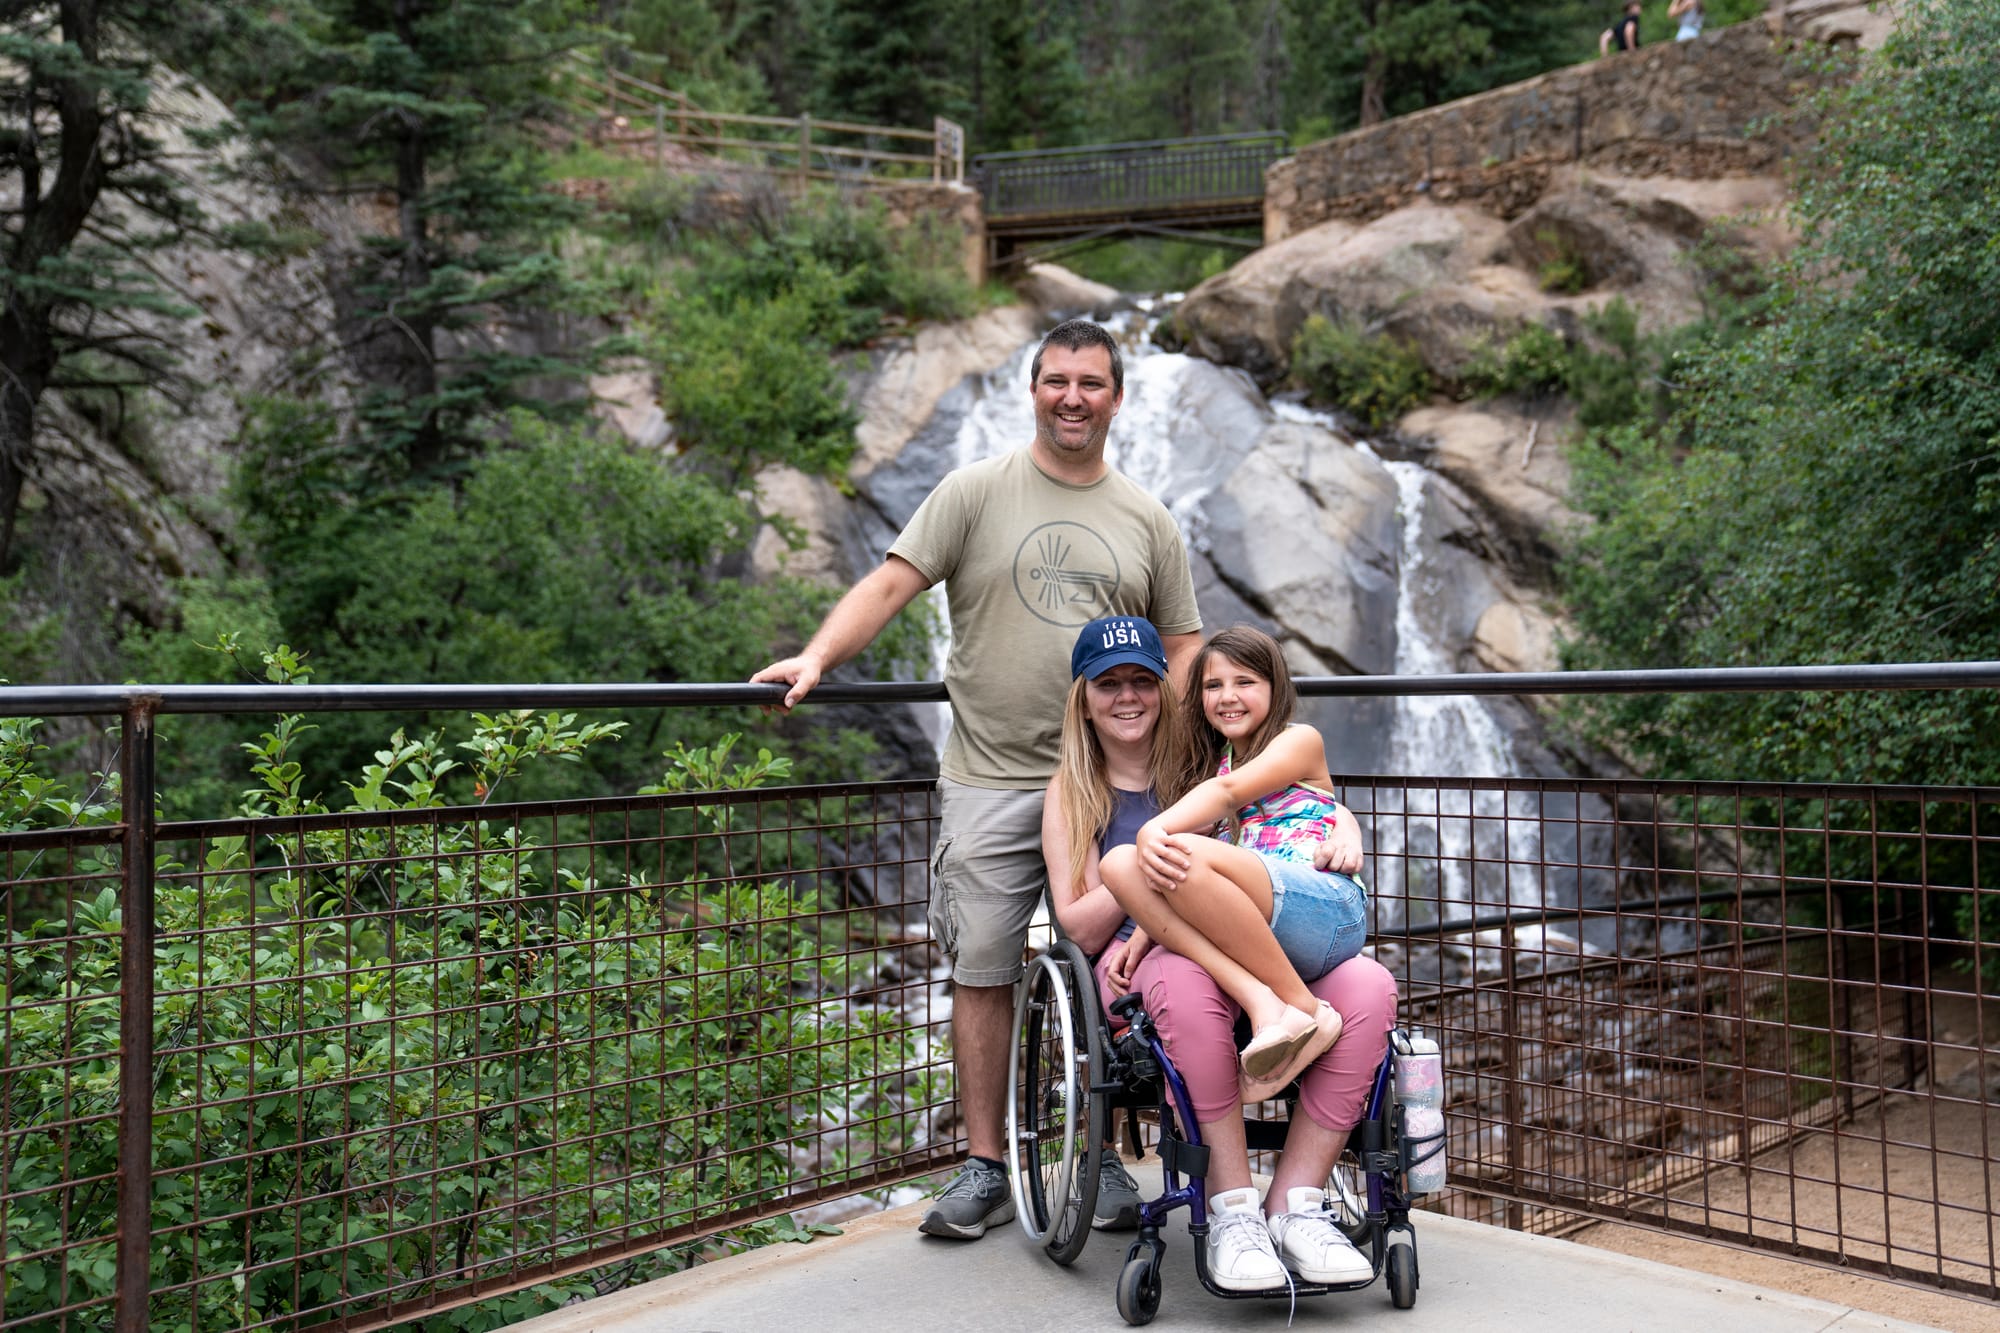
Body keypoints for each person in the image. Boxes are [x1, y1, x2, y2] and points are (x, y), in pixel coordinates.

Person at [750, 319, 1203, 1241]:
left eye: (1091, 383)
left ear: (1118, 398)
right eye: (1056, 381)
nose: (1073, 397)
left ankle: (1101, 1158)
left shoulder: (1148, 517)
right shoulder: (973, 490)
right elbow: (891, 582)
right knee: (984, 967)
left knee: (1108, 970)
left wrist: (1200, 755)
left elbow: (1184, 644)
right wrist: (817, 654)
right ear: (1031, 390)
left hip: (1110, 783)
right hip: (993, 774)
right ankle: (986, 1163)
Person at [1044, 616, 1395, 1290]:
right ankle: (1233, 1209)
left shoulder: (1207, 763)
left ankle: (1296, 1204)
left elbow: (1271, 819)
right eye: (1109, 684)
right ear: (1082, 697)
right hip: (1147, 959)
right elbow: (1083, 928)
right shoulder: (1072, 790)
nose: (1127, 697)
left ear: (1167, 690)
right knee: (1180, 976)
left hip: (1241, 932)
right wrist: (1147, 878)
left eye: (1142, 681)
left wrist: (1342, 820)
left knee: (1370, 985)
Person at [1100, 625, 1371, 1097]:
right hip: (1262, 923)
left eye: (1245, 682)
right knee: (1120, 864)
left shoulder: (1297, 740)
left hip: (1326, 910)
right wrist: (1146, 930)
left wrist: (1154, 829)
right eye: (1213, 685)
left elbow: (1227, 795)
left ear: (1275, 687)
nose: (1228, 696)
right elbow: (1191, 872)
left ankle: (1302, 1008)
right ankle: (1260, 999)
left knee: (1174, 846)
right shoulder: (1218, 764)